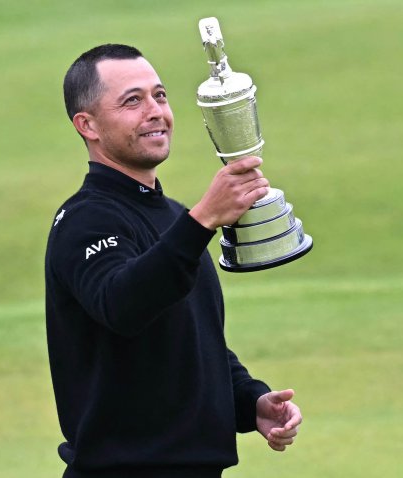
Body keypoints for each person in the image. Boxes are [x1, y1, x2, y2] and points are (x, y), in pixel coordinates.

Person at [44, 44, 302, 478]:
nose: (155, 111)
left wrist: (250, 401)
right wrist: (202, 221)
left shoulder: (175, 218)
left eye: (159, 96)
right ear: (86, 125)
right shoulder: (84, 220)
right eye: (132, 100)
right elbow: (123, 305)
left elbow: (193, 339)